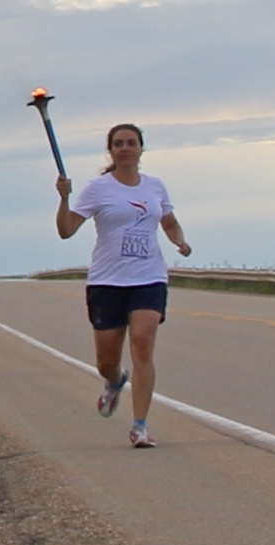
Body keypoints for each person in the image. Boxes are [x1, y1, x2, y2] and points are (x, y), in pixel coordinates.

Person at [54, 123, 191, 448]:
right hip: (107, 282)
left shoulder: (155, 187)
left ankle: (139, 426)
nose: (126, 148)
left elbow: (169, 222)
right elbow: (66, 230)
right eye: (119, 144)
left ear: (141, 148)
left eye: (131, 142)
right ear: (111, 151)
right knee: (106, 361)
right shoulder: (98, 189)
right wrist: (64, 199)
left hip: (149, 278)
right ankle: (114, 382)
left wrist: (180, 242)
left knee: (142, 344)